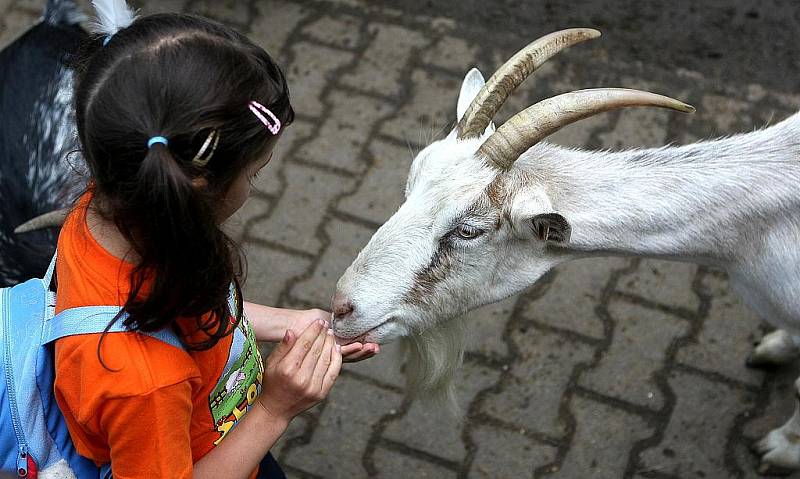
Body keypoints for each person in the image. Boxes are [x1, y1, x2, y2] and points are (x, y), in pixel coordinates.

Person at [52, 2, 378, 478]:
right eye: (257, 172)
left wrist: (291, 322)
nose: (255, 185)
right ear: (198, 186)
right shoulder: (144, 384)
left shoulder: (109, 208)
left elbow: (195, 309)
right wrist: (274, 408)